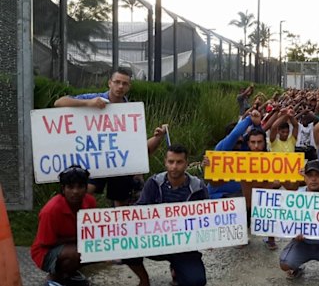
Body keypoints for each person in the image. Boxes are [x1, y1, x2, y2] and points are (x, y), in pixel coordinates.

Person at [53, 68, 167, 207]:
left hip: (119, 164)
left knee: (121, 199)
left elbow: (140, 149)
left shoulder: (130, 112)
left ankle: (118, 224)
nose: (120, 86)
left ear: (129, 86)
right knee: (85, 193)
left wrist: (158, 137)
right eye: (117, 82)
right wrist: (88, 104)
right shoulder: (95, 99)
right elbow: (59, 103)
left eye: (124, 83)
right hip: (94, 160)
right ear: (109, 83)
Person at [125, 144, 209, 286]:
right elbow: (140, 209)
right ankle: (144, 280)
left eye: (179, 162)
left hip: (184, 245)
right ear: (165, 162)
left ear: (186, 163)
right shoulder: (154, 183)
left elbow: (210, 216)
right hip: (156, 242)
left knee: (196, 282)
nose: (174, 166)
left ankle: (178, 268)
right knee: (125, 247)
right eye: (171, 162)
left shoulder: (198, 186)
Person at [30, 165, 96, 286]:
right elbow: (46, 242)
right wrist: (79, 239)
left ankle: (70, 274)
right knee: (78, 252)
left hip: (73, 244)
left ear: (86, 188)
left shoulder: (90, 201)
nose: (75, 191)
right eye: (70, 187)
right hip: (45, 252)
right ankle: (55, 278)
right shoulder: (51, 210)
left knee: (97, 250)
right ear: (63, 189)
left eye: (80, 187)